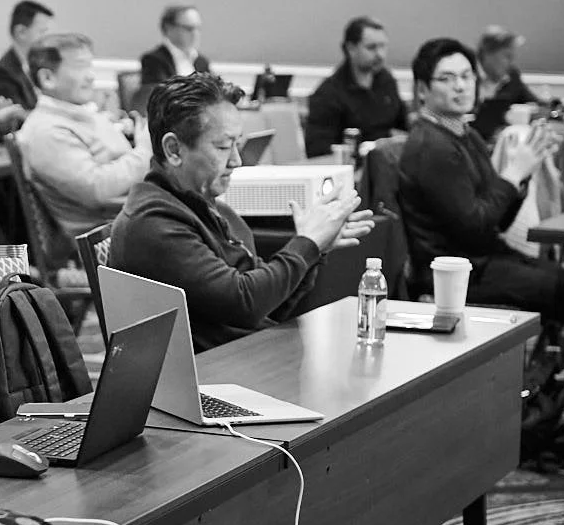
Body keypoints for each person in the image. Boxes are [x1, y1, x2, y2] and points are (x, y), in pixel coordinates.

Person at [108, 73, 373, 351]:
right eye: (223, 146)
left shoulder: (206, 206)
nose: (236, 160)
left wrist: (315, 249)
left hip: (242, 361)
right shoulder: (153, 223)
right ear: (174, 150)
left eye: (237, 144)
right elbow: (245, 302)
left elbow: (270, 308)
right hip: (210, 381)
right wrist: (306, 244)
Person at [398, 38, 564, 347]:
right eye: (446, 79)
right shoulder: (432, 147)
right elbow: (475, 228)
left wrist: (523, 176)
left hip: (482, 259)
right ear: (422, 90)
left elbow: (498, 222)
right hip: (456, 274)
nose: (460, 86)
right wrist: (513, 172)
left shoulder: (465, 135)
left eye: (466, 76)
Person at [17, 33, 151, 239]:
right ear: (47, 78)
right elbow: (97, 188)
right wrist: (144, 151)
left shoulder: (81, 113)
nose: (91, 76)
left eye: (91, 66)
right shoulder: (46, 131)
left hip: (139, 218)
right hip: (112, 239)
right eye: (81, 67)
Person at [305, 16, 407, 157]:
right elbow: (318, 149)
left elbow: (403, 121)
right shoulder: (328, 94)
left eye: (383, 46)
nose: (380, 55)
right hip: (353, 167)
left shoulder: (386, 80)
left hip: (387, 162)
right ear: (351, 48)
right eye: (371, 48)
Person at [0, 0, 54, 112]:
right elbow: (15, 118)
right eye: (43, 32)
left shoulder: (34, 68)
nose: (49, 39)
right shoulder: (0, 75)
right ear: (21, 32)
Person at [140, 5, 211, 85]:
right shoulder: (153, 60)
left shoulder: (201, 62)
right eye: (189, 28)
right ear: (169, 28)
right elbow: (158, 94)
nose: (195, 34)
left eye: (198, 28)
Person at [477, 25, 539, 107]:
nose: (511, 62)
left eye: (512, 57)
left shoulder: (512, 76)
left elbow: (535, 104)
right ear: (488, 53)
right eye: (507, 56)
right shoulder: (466, 76)